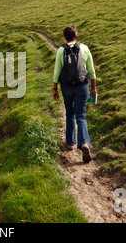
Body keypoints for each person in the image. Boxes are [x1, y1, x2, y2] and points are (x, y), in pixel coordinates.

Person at [52, 25, 97, 163]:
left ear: (65, 37)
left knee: (70, 112)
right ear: (76, 36)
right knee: (81, 115)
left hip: (66, 87)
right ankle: (84, 143)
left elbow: (57, 71)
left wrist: (55, 88)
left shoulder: (61, 50)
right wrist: (93, 88)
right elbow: (91, 70)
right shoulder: (84, 48)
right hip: (82, 85)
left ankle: (70, 143)